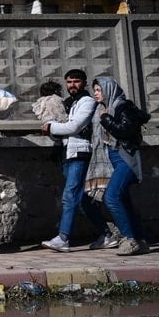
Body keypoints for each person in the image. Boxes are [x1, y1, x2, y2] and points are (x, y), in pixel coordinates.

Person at [40, 69, 113, 252]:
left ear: (84, 83)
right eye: (69, 82)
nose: (72, 85)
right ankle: (106, 235)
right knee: (83, 199)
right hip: (67, 153)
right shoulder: (69, 103)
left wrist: (51, 127)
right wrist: (52, 129)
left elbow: (74, 127)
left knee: (70, 195)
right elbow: (63, 131)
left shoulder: (87, 101)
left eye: (76, 81)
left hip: (80, 152)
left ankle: (63, 238)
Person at [93, 76, 151, 256]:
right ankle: (140, 241)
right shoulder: (105, 108)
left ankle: (129, 239)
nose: (96, 94)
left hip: (126, 160)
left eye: (99, 90)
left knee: (111, 197)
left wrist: (105, 118)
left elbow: (124, 130)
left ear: (108, 89)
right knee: (124, 201)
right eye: (94, 90)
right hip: (116, 161)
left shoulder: (122, 107)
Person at [32, 79, 68, 163]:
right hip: (55, 125)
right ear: (56, 91)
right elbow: (61, 115)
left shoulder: (41, 101)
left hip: (48, 125)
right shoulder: (55, 100)